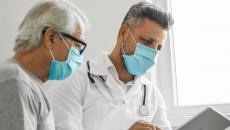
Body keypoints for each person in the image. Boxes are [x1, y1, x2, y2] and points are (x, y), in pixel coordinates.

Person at [47, 1, 174, 130]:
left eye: (158, 48)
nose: (152, 53)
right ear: (123, 33)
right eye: (147, 42)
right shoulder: (74, 79)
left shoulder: (152, 93)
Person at [0, 0, 89, 130]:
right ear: (51, 38)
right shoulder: (16, 84)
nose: (79, 55)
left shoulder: (28, 85)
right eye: (77, 45)